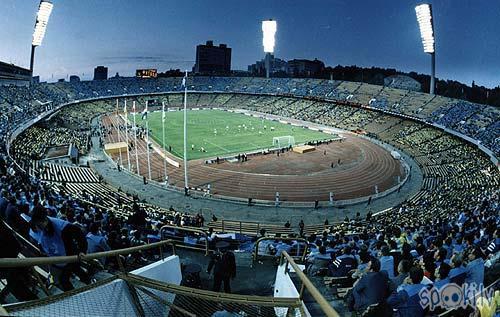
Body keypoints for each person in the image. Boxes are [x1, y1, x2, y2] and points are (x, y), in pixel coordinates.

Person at [30, 206, 90, 291]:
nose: (38, 227)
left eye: (39, 224)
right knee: (65, 279)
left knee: (73, 273)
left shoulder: (62, 226)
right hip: (57, 258)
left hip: (69, 256)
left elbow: (79, 233)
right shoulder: (38, 225)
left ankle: (89, 283)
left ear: (44, 220)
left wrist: (82, 250)